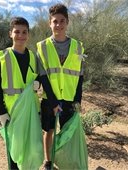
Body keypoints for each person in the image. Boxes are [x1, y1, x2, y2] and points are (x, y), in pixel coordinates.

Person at [0, 17, 60, 170]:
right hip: (12, 111)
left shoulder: (33, 56)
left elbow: (38, 78)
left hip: (31, 110)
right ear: (10, 33)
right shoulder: (2, 56)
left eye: (24, 32)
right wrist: (0, 111)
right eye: (17, 32)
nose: (21, 35)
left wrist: (37, 84)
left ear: (28, 34)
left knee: (32, 147)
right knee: (15, 149)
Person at [37, 3, 88, 170]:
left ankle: (65, 162)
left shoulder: (78, 47)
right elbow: (43, 76)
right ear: (49, 23)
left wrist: (77, 100)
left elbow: (80, 75)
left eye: (62, 21)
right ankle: (48, 162)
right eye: (55, 21)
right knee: (49, 130)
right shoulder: (42, 47)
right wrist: (52, 102)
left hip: (69, 97)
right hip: (49, 98)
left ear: (67, 22)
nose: (58, 25)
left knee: (67, 132)